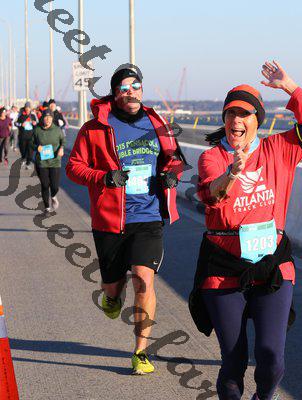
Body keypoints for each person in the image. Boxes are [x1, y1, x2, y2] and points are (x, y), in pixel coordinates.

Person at [189, 61, 302, 400]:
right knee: (234, 361)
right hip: (223, 268)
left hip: (272, 265)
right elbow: (212, 195)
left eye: (244, 113)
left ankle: (263, 396)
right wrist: (232, 173)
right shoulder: (213, 157)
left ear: (258, 120)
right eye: (230, 113)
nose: (236, 120)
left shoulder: (279, 148)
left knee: (271, 358)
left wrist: (290, 87)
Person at [66, 65, 185, 375]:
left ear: (142, 90)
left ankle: (141, 352)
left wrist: (171, 175)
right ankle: (112, 297)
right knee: (112, 287)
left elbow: (174, 160)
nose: (131, 91)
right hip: (111, 220)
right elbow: (73, 167)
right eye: (124, 87)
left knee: (143, 279)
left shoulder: (157, 123)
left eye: (136, 86)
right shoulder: (95, 129)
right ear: (115, 94)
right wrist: (104, 177)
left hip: (149, 215)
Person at [31, 109, 64, 214]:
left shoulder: (57, 130)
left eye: (50, 117)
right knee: (45, 185)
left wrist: (61, 148)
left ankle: (53, 196)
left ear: (52, 118)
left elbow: (63, 141)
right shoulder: (37, 130)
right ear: (42, 118)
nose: (48, 119)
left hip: (55, 162)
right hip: (42, 162)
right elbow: (31, 143)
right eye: (46, 117)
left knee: (54, 186)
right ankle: (47, 208)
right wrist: (37, 147)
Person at [15, 102, 38, 169]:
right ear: (25, 108)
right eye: (26, 107)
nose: (27, 109)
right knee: (23, 149)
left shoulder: (33, 116)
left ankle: (28, 162)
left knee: (30, 150)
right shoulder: (21, 115)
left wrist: (35, 124)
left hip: (31, 136)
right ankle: (23, 157)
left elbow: (37, 125)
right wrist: (21, 125)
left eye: (29, 107)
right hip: (23, 135)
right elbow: (16, 123)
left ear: (30, 108)